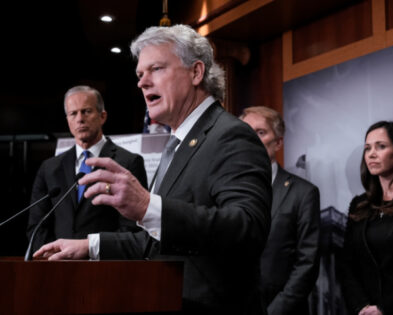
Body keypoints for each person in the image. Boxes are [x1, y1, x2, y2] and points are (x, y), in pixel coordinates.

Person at [34, 25, 272, 314]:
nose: (142, 83)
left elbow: (248, 229)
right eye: (139, 75)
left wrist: (147, 206)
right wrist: (89, 246)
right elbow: (157, 242)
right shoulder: (178, 144)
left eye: (155, 69)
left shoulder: (230, 135)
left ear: (196, 73)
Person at [27, 85, 148, 252]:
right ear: (67, 120)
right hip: (57, 266)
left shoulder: (128, 163)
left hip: (104, 267)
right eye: (73, 113)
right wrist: (54, 256)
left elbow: (131, 229)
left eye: (86, 111)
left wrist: (91, 252)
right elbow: (37, 227)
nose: (80, 119)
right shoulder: (49, 168)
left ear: (102, 116)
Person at [240, 106, 320, 315]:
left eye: (261, 132)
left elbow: (307, 264)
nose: (252, 138)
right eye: (247, 131)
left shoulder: (303, 193)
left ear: (278, 142)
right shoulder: (225, 190)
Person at [340, 121, 393, 315]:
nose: (371, 154)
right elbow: (347, 265)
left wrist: (385, 309)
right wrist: (362, 307)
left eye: (381, 146)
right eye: (367, 148)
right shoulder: (359, 204)